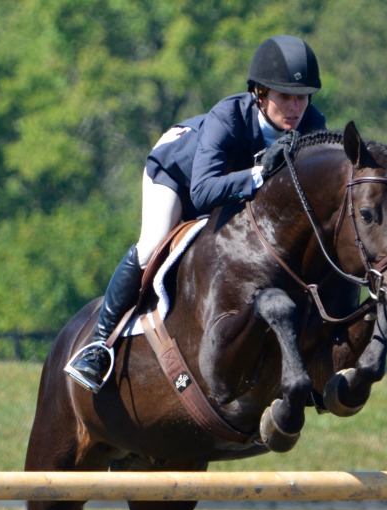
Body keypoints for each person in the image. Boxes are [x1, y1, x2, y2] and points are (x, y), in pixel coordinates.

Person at [65, 35, 329, 392]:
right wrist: (260, 173)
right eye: (284, 96)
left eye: (301, 97)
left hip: (228, 191)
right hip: (179, 175)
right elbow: (203, 191)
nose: (295, 107)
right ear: (260, 94)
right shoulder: (229, 117)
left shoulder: (312, 126)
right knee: (151, 244)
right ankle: (97, 346)